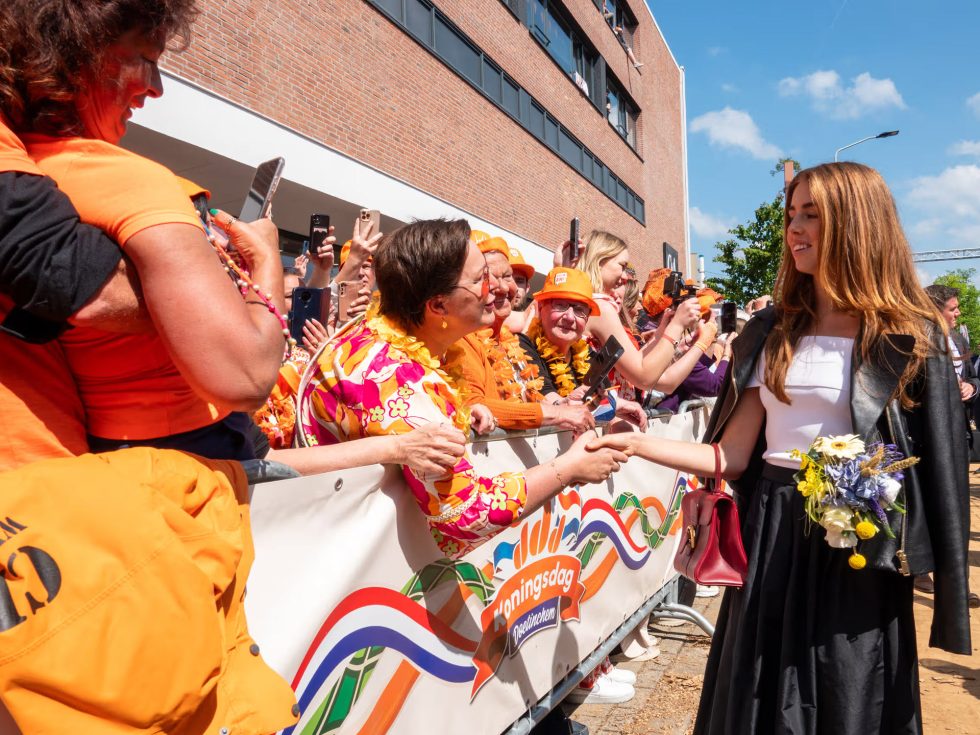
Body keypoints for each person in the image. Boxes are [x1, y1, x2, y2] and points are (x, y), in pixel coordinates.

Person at [590, 162, 971, 734]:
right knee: (763, 691)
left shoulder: (908, 331)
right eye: (792, 214)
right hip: (772, 531)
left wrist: (941, 581)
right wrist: (638, 442)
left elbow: (943, 467)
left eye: (812, 215)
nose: (795, 228)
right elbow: (732, 456)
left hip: (858, 541)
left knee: (850, 688)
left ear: (857, 223)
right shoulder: (771, 328)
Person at [5, 0, 288, 460]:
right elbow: (246, 377)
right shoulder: (133, 180)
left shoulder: (33, 166)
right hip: (192, 452)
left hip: (105, 447)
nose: (155, 89)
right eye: (147, 60)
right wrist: (266, 262)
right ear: (77, 52)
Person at [296, 219, 628, 557]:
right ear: (438, 306)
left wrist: (466, 408)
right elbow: (464, 516)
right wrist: (569, 467)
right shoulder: (393, 376)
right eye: (480, 280)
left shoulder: (411, 342)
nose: (496, 289)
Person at [457, 238, 594, 434]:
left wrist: (563, 404)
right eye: (487, 277)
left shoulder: (510, 342)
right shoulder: (463, 340)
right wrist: (557, 414)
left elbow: (528, 396)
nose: (504, 287)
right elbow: (474, 404)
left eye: (508, 276)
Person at [518, 267, 647, 430]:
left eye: (579, 310)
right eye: (560, 305)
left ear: (587, 319)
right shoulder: (522, 346)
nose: (570, 317)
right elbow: (545, 397)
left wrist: (620, 405)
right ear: (541, 307)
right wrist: (564, 404)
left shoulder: (585, 352)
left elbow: (604, 395)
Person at [578, 231, 702, 392]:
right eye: (622, 266)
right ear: (599, 260)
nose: (625, 277)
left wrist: (661, 333)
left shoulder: (590, 303)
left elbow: (636, 362)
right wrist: (678, 326)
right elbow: (644, 378)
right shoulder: (600, 307)